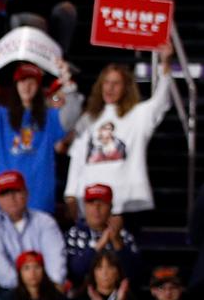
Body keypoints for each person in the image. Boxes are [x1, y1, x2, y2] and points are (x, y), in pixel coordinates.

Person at [64, 47, 174, 217]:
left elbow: (163, 100)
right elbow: (77, 159)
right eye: (106, 82)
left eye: (116, 83)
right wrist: (70, 194)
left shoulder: (138, 114)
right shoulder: (88, 118)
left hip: (127, 203)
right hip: (91, 203)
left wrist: (165, 63)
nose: (110, 88)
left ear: (126, 87)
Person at [0, 56, 82, 214]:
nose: (26, 87)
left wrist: (67, 82)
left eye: (32, 82)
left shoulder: (50, 118)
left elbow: (73, 112)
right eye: (22, 81)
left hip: (39, 201)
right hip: (4, 201)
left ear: (39, 87)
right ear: (15, 86)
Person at [0, 170, 66, 290]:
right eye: (5, 194)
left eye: (16, 191)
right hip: (12, 291)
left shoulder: (45, 221)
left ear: (26, 193)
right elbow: (1, 268)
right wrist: (26, 291)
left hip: (48, 289)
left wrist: (47, 287)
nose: (11, 198)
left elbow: (56, 260)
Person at [65, 184, 140, 286]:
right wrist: (101, 242)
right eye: (91, 203)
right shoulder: (73, 234)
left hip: (118, 293)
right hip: (81, 295)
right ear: (84, 206)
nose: (96, 208)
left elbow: (133, 273)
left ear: (111, 206)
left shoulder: (124, 235)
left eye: (102, 203)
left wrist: (116, 240)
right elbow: (76, 271)